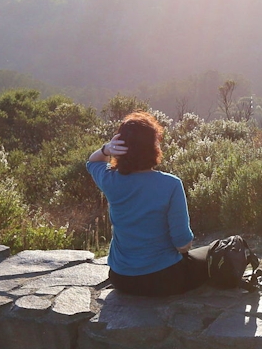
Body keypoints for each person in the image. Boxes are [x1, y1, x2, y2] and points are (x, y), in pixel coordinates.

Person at [87, 111, 207, 296]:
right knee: (214, 252)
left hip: (121, 279)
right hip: (164, 279)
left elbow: (93, 162)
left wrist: (106, 149)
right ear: (153, 147)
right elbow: (183, 244)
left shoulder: (111, 181)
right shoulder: (171, 184)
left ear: (121, 146)